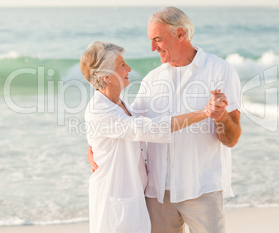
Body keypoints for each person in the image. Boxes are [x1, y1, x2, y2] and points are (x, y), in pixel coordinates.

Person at [88, 7, 242, 233]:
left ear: (180, 34)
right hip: (158, 194)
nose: (152, 48)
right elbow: (132, 126)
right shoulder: (153, 79)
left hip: (202, 188)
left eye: (157, 39)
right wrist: (94, 145)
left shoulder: (220, 71)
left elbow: (232, 138)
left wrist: (220, 118)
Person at [80, 41, 220, 233]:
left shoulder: (121, 103)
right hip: (115, 199)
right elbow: (150, 128)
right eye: (121, 65)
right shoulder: (99, 110)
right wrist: (204, 113)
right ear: (106, 77)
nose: (128, 68)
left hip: (134, 198)